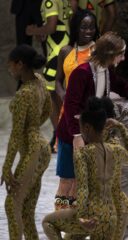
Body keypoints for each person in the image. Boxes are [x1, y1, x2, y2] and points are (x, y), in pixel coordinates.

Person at [55, 32, 128, 211]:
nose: (123, 58)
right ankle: (58, 216)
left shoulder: (105, 72)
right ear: (109, 54)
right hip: (71, 135)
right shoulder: (81, 73)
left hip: (91, 133)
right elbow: (70, 107)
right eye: (120, 54)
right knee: (68, 180)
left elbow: (123, 87)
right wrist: (76, 136)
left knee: (81, 182)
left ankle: (73, 222)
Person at [42, 97, 128, 239]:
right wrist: (120, 127)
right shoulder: (115, 148)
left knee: (48, 222)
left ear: (87, 126)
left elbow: (83, 188)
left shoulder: (84, 153)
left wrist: (81, 215)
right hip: (112, 212)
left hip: (99, 210)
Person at [1, 45, 52, 240]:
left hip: (32, 150)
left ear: (20, 64)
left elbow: (15, 134)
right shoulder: (39, 81)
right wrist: (33, 127)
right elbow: (47, 109)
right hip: (42, 147)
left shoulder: (24, 94)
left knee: (12, 205)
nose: (9, 69)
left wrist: (7, 168)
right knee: (26, 209)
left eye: (11, 65)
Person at [25, 0, 73, 155]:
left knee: (53, 93)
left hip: (57, 52)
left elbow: (52, 26)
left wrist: (34, 30)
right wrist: (42, 31)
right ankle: (62, 135)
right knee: (56, 92)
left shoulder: (50, 1)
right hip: (65, 45)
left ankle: (62, 137)